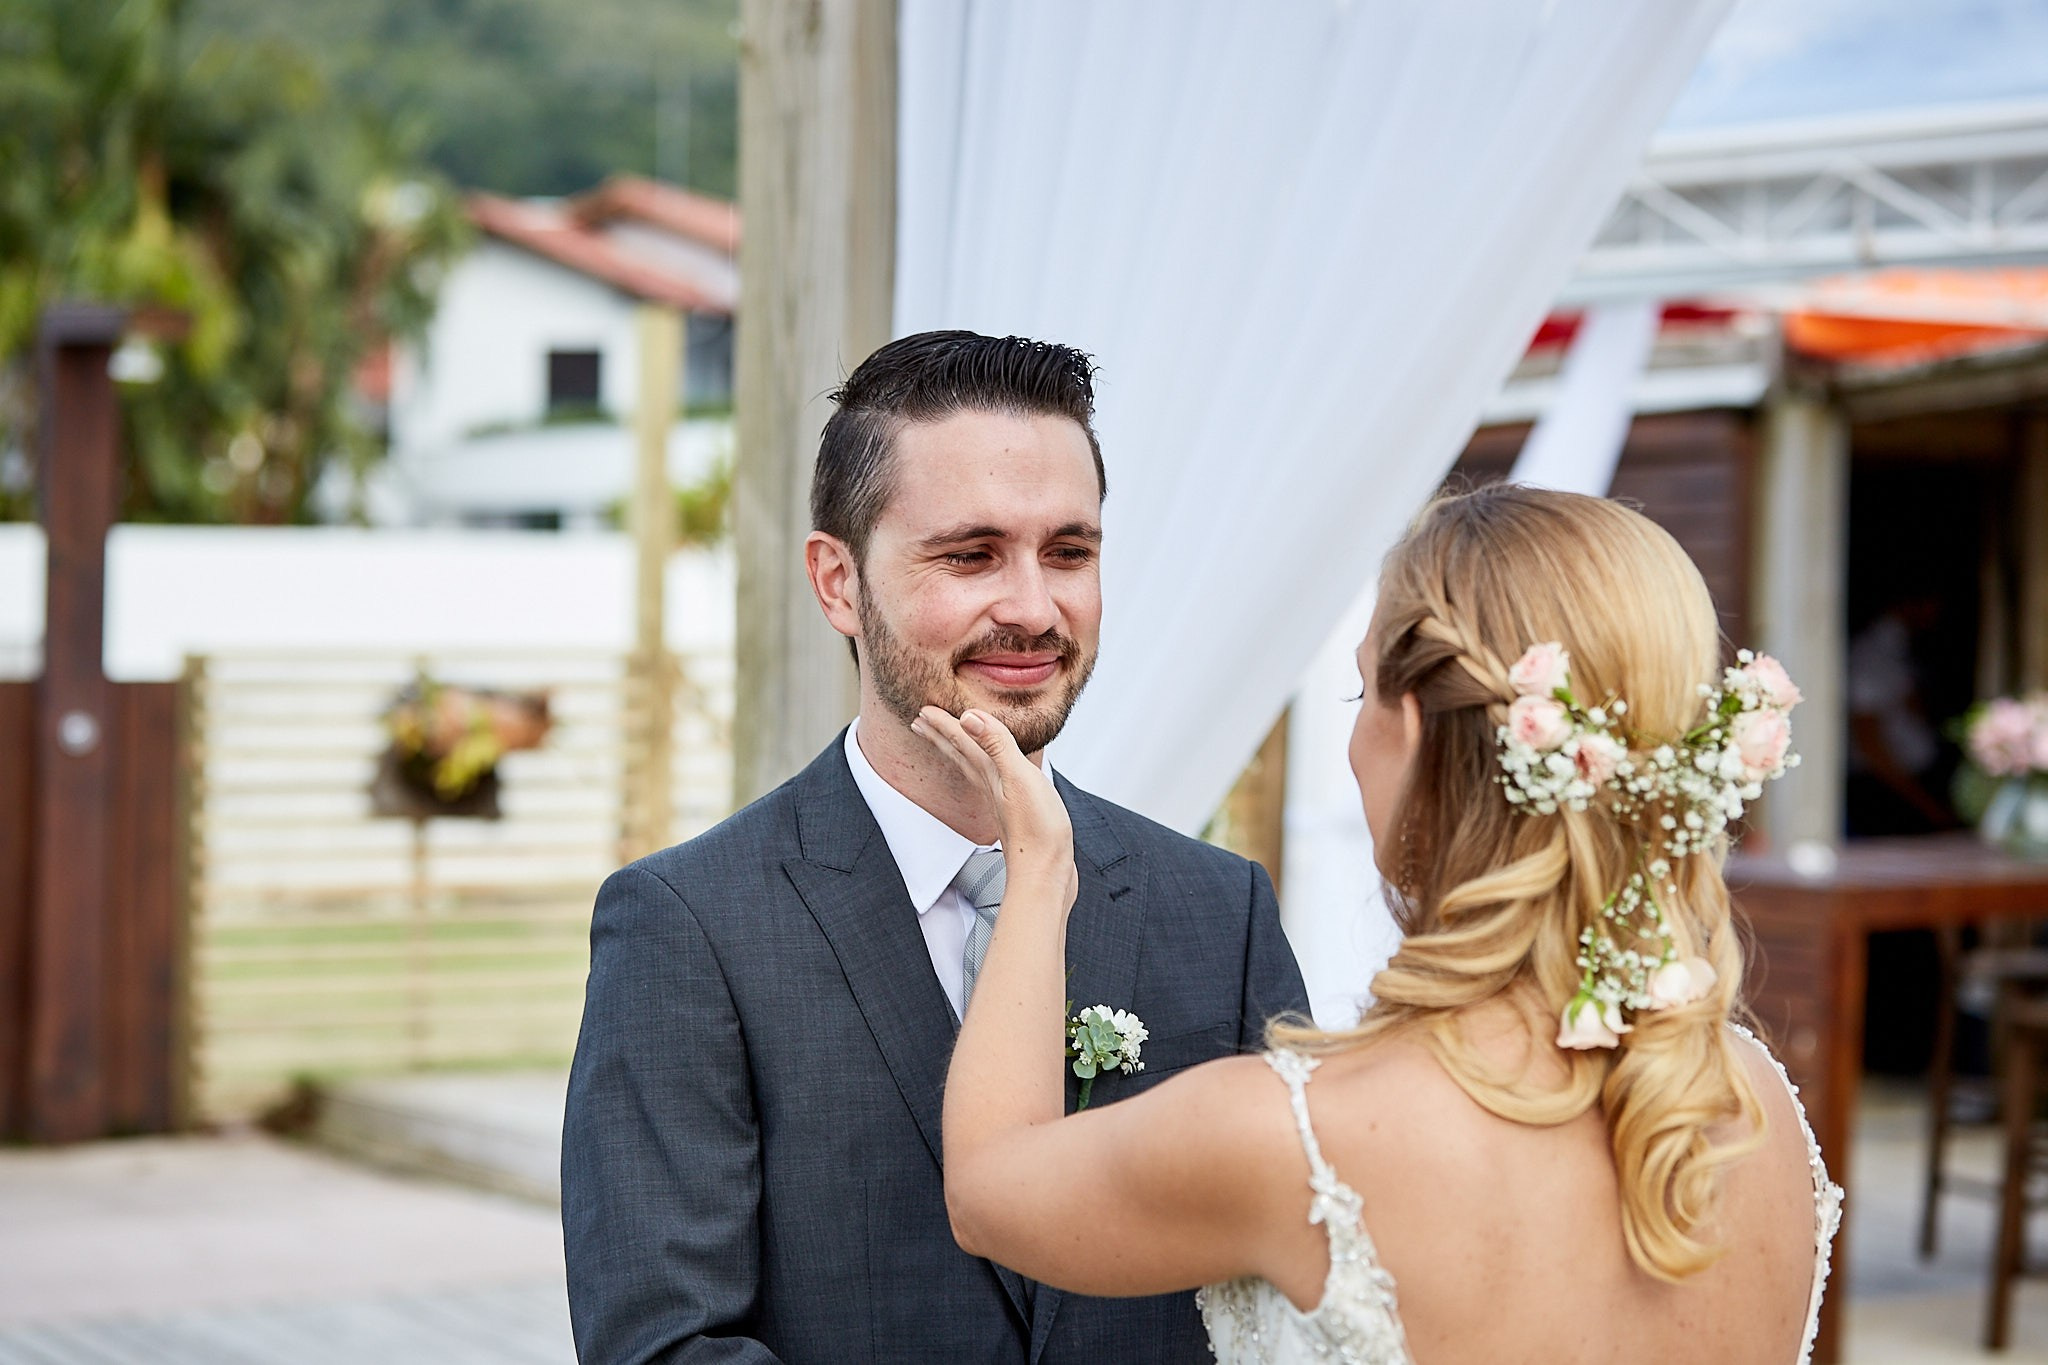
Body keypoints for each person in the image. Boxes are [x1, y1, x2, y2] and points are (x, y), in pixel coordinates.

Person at [924, 486, 1842, 1365]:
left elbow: (990, 1185)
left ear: (1415, 726)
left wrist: (1039, 868)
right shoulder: (1757, 1108)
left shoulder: (1303, 1133)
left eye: (1359, 695)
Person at [560, 330, 1309, 1363]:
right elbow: (664, 1345)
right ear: (836, 582)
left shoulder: (1217, 914)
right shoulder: (689, 928)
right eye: (970, 555)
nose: (1033, 608)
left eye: (1069, 553)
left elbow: (1292, 1299)